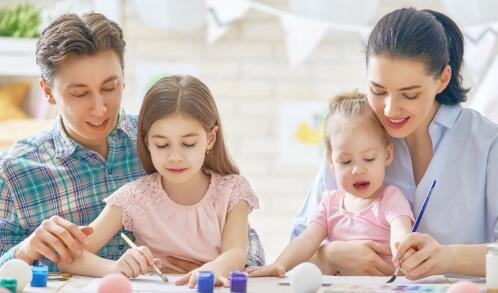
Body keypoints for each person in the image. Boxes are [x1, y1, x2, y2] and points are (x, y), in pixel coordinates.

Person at [0, 13, 265, 273]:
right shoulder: (14, 171)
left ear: (124, 80)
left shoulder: (167, 136)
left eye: (109, 87)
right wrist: (26, 250)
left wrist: (216, 267)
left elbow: (237, 232)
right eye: (80, 93)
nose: (100, 108)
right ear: (47, 91)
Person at [293, 7, 498, 279]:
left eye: (409, 94)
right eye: (378, 91)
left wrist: (450, 257)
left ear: (442, 79)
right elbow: (295, 248)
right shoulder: (352, 136)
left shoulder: (485, 144)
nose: (390, 109)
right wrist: (329, 256)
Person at [58, 75, 258, 287]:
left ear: (210, 139)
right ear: (147, 142)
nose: (175, 157)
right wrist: (114, 267)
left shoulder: (233, 191)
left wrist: (208, 272)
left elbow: (235, 253)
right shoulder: (135, 196)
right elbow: (71, 257)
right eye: (162, 145)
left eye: (188, 144)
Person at [248, 91, 414, 278]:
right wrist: (279, 266)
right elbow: (306, 240)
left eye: (368, 158)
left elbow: (401, 233)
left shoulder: (390, 199)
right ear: (331, 161)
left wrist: (403, 250)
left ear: (388, 155)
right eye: (345, 161)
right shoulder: (330, 203)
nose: (357, 170)